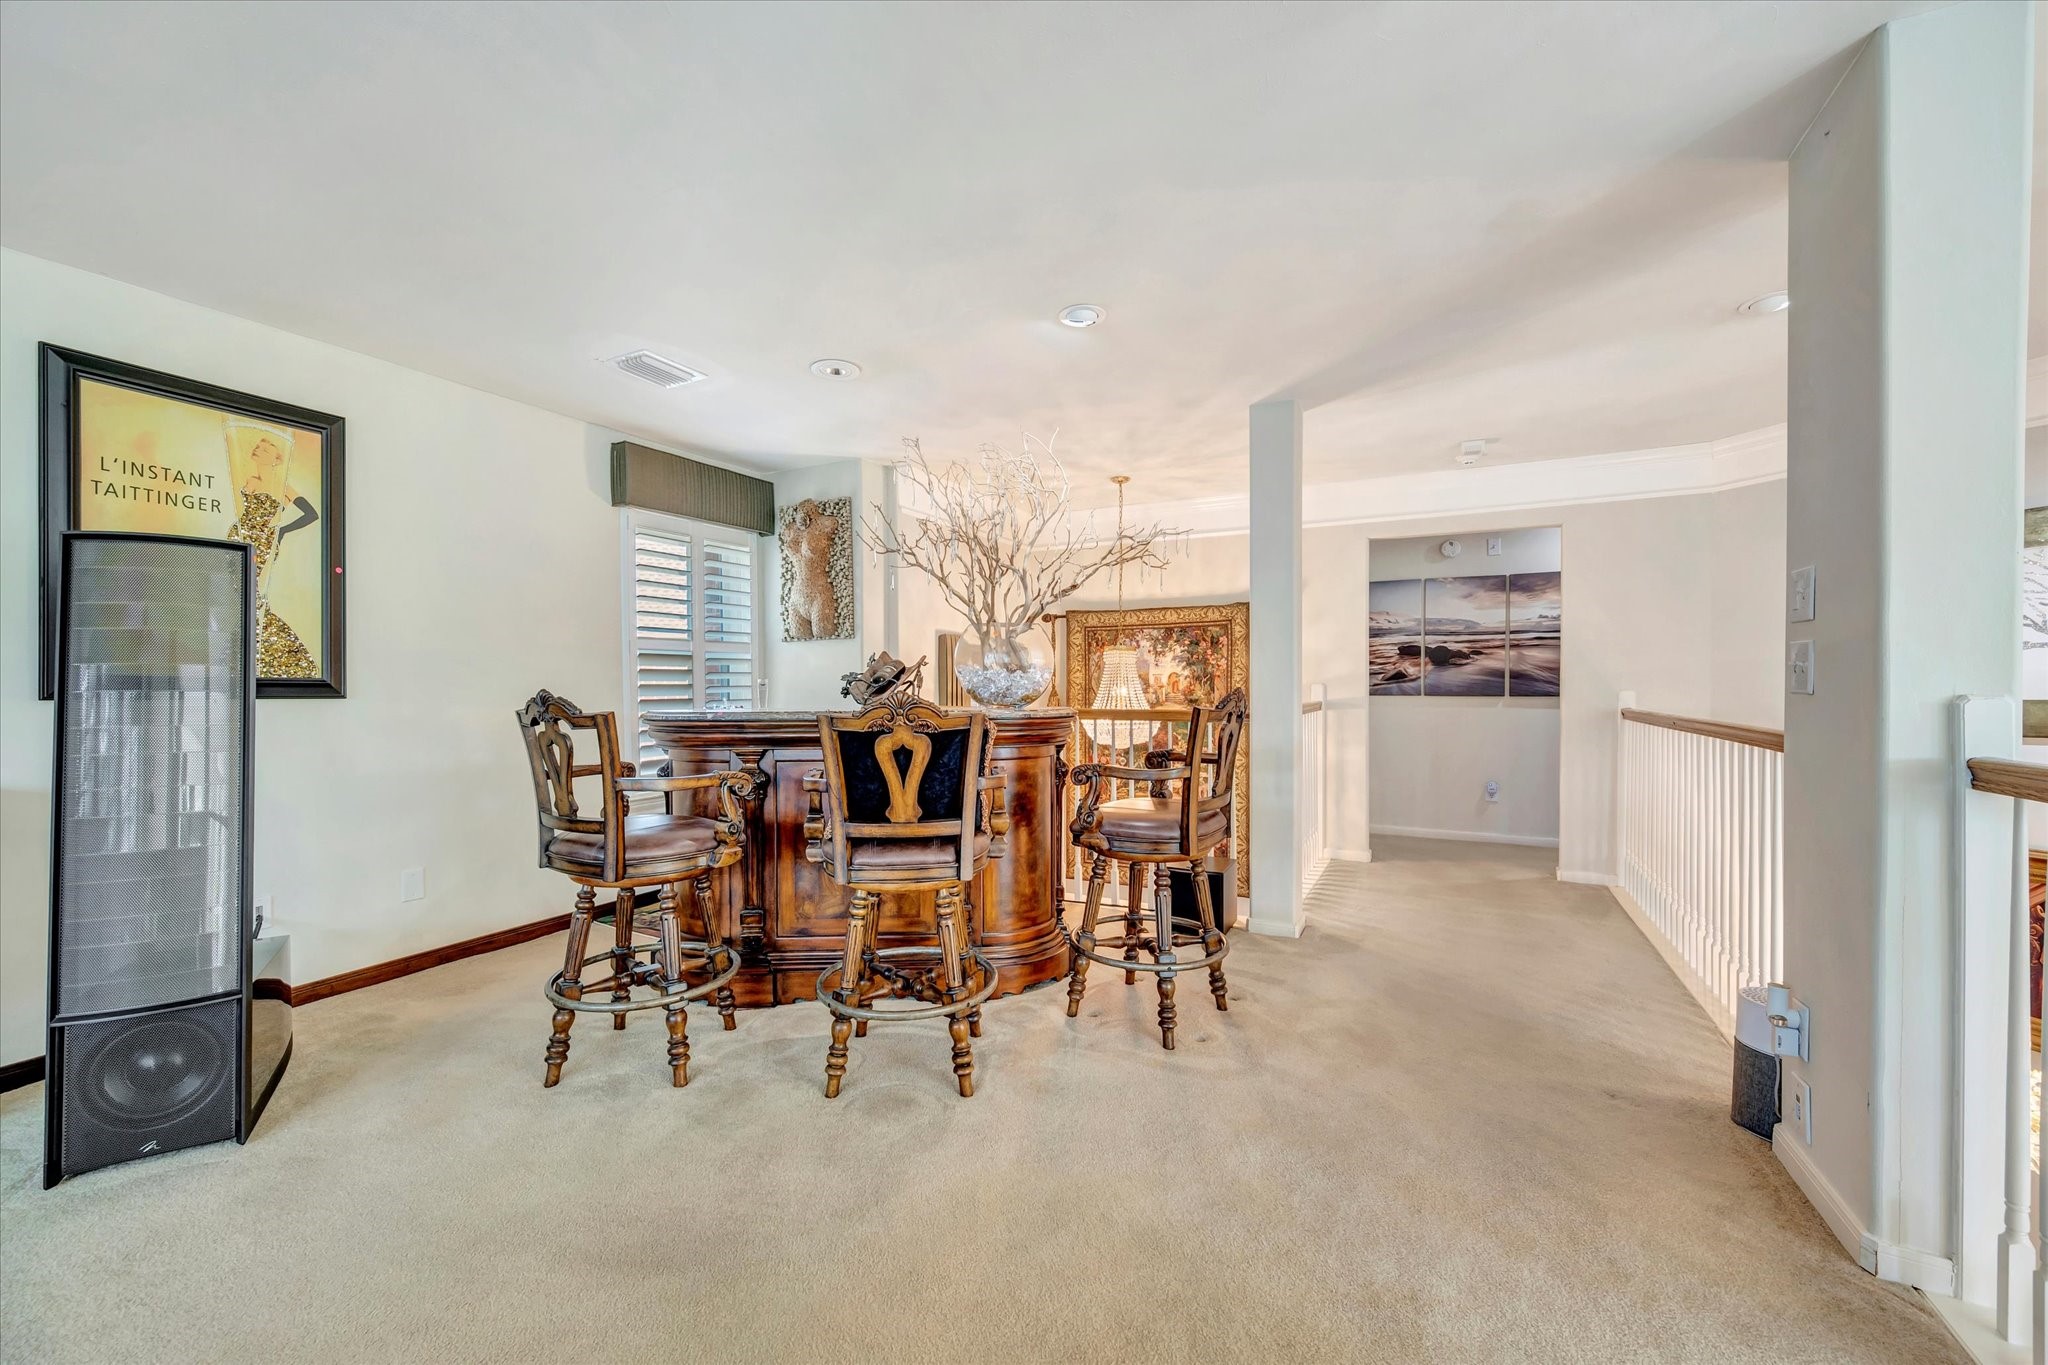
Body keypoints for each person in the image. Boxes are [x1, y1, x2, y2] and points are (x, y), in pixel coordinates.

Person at [224, 432, 319, 678]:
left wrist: (283, 531)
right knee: (240, 596)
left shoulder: (282, 485)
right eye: (258, 447)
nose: (258, 450)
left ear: (276, 459)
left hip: (262, 542)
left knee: (252, 597)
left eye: (266, 450)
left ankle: (279, 655)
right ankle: (249, 653)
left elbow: (311, 514)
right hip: (238, 537)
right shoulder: (250, 479)